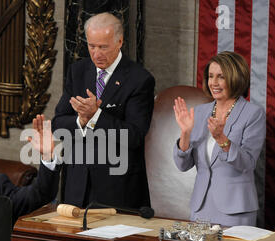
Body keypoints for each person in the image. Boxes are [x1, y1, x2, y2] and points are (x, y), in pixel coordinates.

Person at [52, 12, 155, 209]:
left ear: (120, 41)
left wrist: (96, 116)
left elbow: (134, 136)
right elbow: (58, 124)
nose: (97, 54)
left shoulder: (139, 80)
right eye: (92, 46)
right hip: (76, 185)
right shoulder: (78, 71)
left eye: (103, 47)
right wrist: (80, 121)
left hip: (117, 188)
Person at [173, 51, 266, 227]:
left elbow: (247, 163)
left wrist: (221, 138)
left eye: (221, 77)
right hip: (200, 207)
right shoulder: (200, 112)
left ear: (235, 78)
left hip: (235, 209)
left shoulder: (253, 114)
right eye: (210, 76)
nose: (213, 83)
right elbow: (182, 165)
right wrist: (185, 133)